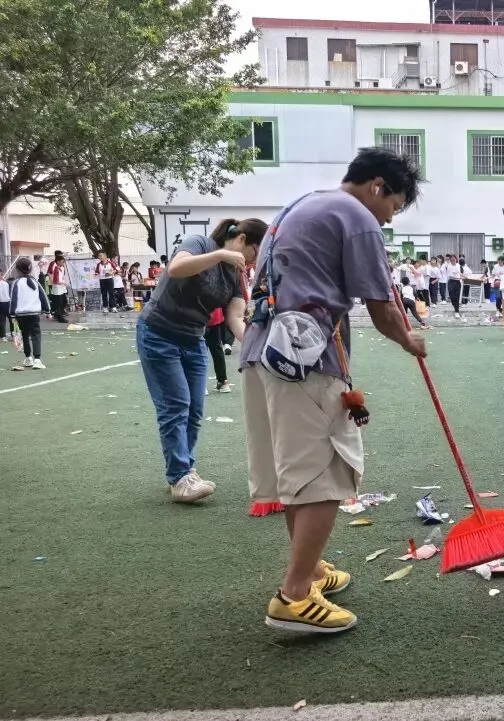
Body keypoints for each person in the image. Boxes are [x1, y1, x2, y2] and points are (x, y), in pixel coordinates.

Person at [241, 146, 426, 635]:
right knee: (326, 473)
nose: (389, 219)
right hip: (306, 361)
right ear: (378, 187)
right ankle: (294, 595)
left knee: (296, 475)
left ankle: (312, 570)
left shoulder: (301, 205)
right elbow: (382, 305)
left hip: (265, 353)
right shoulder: (355, 215)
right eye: (395, 206)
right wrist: (411, 340)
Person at [138, 218, 267, 502]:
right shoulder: (199, 243)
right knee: (176, 405)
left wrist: (258, 346)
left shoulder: (236, 274)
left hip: (194, 338)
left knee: (195, 409)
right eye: (256, 252)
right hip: (159, 333)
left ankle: (184, 469)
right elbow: (176, 268)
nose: (253, 260)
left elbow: (234, 317)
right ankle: (179, 477)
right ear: (242, 239)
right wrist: (220, 254)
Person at [9, 258, 51, 370]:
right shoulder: (35, 281)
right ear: (30, 268)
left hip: (20, 314)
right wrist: (48, 311)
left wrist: (12, 314)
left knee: (25, 336)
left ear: (17, 270)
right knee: (36, 334)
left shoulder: (16, 283)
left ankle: (28, 358)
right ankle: (37, 360)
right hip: (34, 313)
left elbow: (13, 299)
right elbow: (43, 296)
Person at [48, 253, 70, 323]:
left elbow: (61, 278)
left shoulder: (62, 268)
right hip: (57, 288)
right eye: (62, 261)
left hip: (62, 287)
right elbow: (56, 281)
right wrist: (64, 283)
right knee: (59, 303)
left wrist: (64, 283)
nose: (63, 263)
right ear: (58, 262)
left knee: (64, 301)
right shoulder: (56, 269)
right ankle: (59, 316)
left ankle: (57, 314)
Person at [0, 273, 12, 342]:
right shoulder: (5, 283)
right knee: (3, 320)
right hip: (5, 302)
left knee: (5, 320)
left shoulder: (5, 283)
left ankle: (3, 336)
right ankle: (3, 336)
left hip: (6, 302)